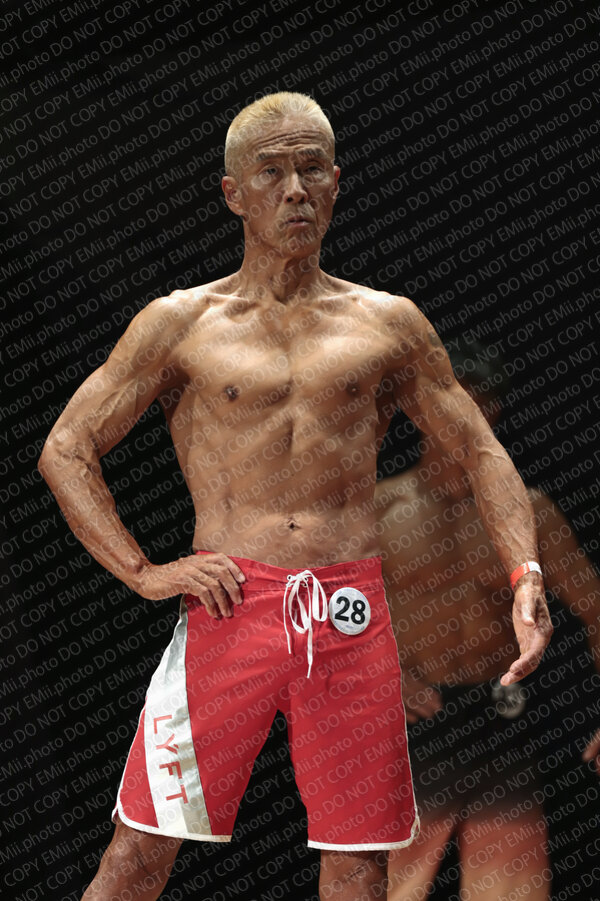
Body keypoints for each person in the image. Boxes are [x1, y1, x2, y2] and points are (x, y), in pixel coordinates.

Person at [38, 92, 553, 901]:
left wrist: (526, 572)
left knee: (359, 865)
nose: (296, 190)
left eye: (312, 169)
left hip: (348, 614)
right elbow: (66, 448)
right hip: (228, 605)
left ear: (337, 182)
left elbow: (481, 450)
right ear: (233, 193)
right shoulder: (180, 323)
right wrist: (144, 571)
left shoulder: (388, 323)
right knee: (138, 853)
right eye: (272, 172)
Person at [376, 338, 600, 901]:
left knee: (512, 892)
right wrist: (382, 677)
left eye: (479, 402)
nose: (463, 417)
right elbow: (323, 614)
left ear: (494, 412)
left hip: (501, 718)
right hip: (406, 721)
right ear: (419, 412)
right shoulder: (378, 510)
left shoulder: (529, 512)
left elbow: (597, 609)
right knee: (389, 888)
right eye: (448, 403)